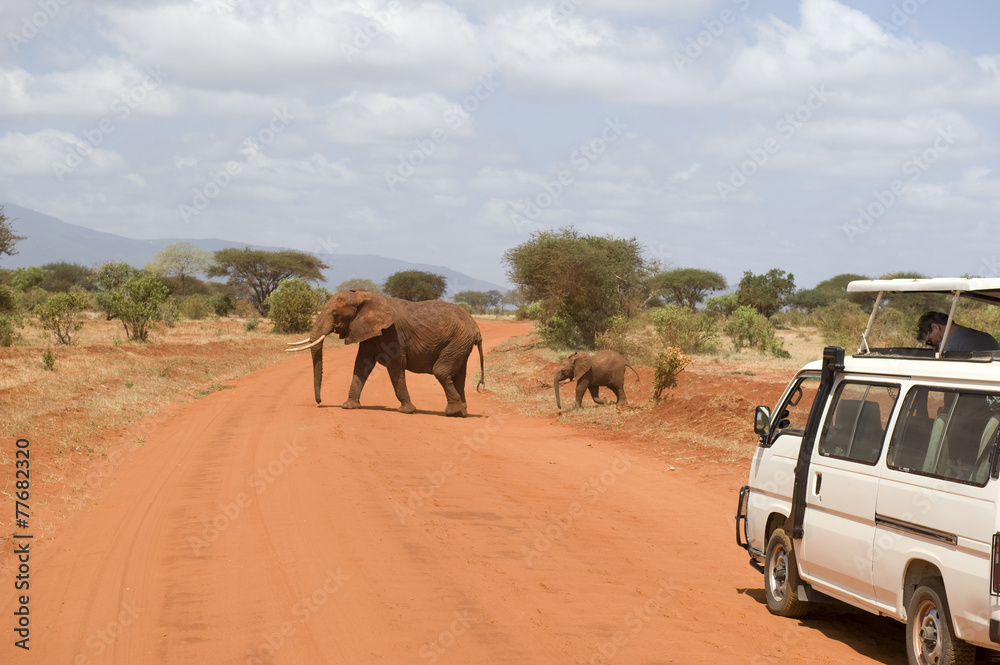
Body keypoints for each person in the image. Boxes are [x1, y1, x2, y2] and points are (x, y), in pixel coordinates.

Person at [916, 311, 1000, 353]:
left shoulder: (947, 346)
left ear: (935, 327)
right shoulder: (987, 337)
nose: (934, 348)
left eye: (930, 342)